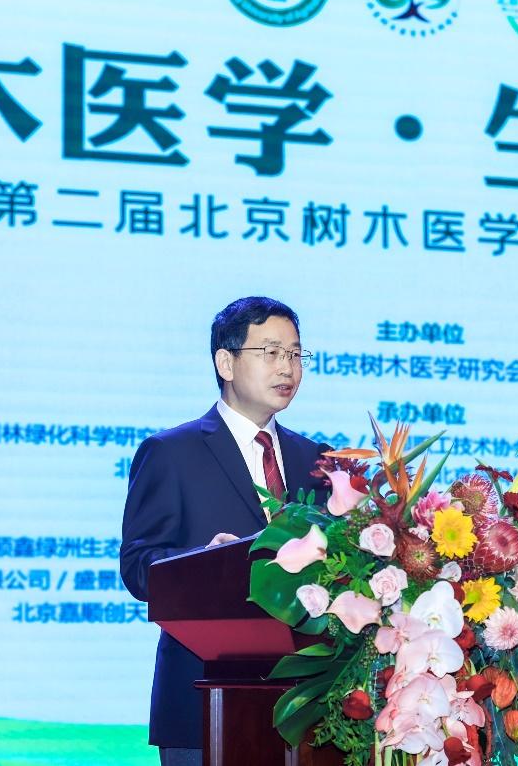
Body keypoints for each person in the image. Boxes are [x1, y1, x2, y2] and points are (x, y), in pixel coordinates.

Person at [119, 296, 330, 766]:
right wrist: (204, 562)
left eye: (296, 354)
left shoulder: (317, 460)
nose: (288, 368)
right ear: (226, 363)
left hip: (309, 705)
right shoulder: (171, 453)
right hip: (202, 699)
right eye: (271, 352)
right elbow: (137, 566)